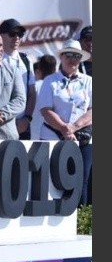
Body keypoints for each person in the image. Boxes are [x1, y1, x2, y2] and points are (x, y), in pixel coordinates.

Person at [36, 39, 92, 205]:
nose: (72, 59)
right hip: (53, 137)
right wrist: (64, 129)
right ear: (61, 57)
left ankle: (80, 223)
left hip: (83, 139)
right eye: (68, 55)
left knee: (81, 180)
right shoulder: (50, 81)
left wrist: (73, 128)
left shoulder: (88, 81)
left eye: (76, 55)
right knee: (53, 179)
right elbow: (46, 110)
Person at [0, 18, 36, 140]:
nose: (17, 38)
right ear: (1, 36)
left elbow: (31, 93)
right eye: (12, 34)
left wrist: (27, 118)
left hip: (22, 124)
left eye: (20, 35)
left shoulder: (26, 60)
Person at [30, 54, 57, 141]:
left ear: (39, 69)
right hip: (54, 134)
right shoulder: (57, 86)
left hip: (33, 132)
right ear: (55, 69)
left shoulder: (33, 86)